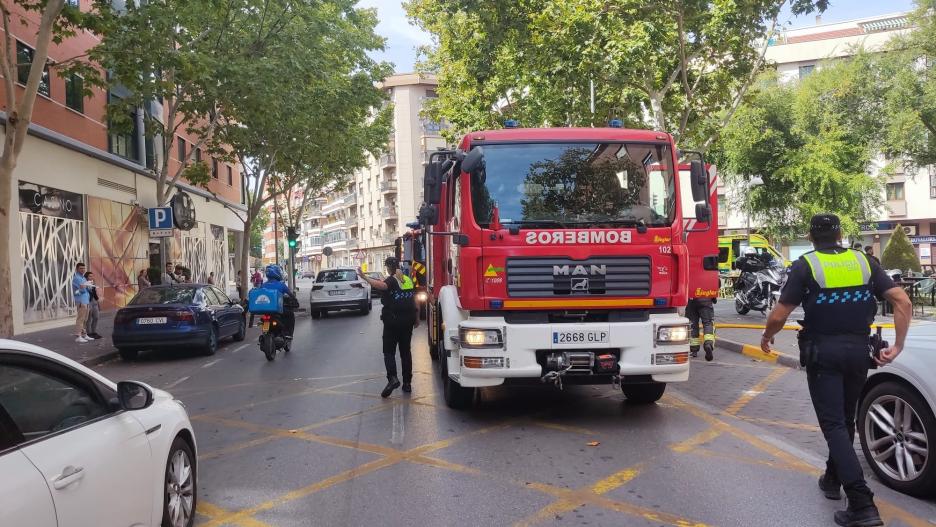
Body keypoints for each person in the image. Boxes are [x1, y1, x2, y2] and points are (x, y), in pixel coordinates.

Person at [761, 214, 911, 527]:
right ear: (841, 234)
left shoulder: (806, 265)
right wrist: (897, 346)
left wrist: (767, 335)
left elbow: (779, 314)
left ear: (811, 236)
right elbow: (902, 301)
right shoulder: (863, 261)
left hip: (823, 353)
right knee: (845, 419)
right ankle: (832, 479)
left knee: (833, 425)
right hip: (859, 352)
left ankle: (861, 502)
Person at [358, 257, 419, 398]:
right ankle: (407, 383)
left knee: (389, 352)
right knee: (405, 353)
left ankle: (392, 379)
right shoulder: (408, 279)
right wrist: (416, 318)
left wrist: (364, 277)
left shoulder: (392, 280)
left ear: (388, 268)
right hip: (408, 321)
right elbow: (415, 300)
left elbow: (381, 285)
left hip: (393, 322)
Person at [260, 264, 296, 341]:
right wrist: (294, 299)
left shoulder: (263, 285)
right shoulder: (281, 285)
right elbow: (290, 294)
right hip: (278, 310)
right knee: (290, 315)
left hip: (265, 310)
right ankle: (288, 334)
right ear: (277, 273)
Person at [72, 263, 92, 343]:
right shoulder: (76, 278)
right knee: (80, 319)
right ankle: (78, 336)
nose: (83, 270)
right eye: (81, 268)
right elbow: (77, 291)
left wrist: (89, 287)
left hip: (86, 300)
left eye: (84, 268)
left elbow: (86, 290)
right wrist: (83, 288)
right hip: (81, 301)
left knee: (85, 319)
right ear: (77, 269)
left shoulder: (83, 278)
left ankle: (84, 334)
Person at [84, 271, 103, 340]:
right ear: (86, 277)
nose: (91, 277)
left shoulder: (92, 284)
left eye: (92, 276)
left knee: (96, 317)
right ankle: (89, 333)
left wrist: (98, 302)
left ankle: (94, 332)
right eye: (90, 276)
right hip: (88, 302)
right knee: (88, 319)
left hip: (94, 302)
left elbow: (95, 293)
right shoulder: (84, 284)